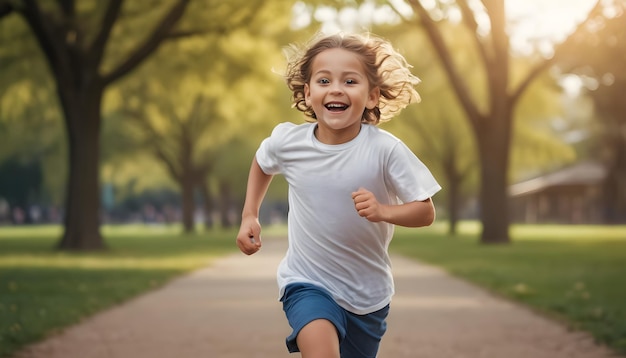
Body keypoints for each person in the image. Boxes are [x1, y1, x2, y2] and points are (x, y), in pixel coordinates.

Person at [236, 32, 441, 358]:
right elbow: (262, 163)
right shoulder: (290, 143)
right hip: (306, 282)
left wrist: (383, 211)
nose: (335, 89)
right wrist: (250, 214)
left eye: (349, 81)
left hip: (367, 295)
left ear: (372, 96)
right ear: (308, 92)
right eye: (324, 80)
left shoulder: (384, 150)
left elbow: (425, 211)